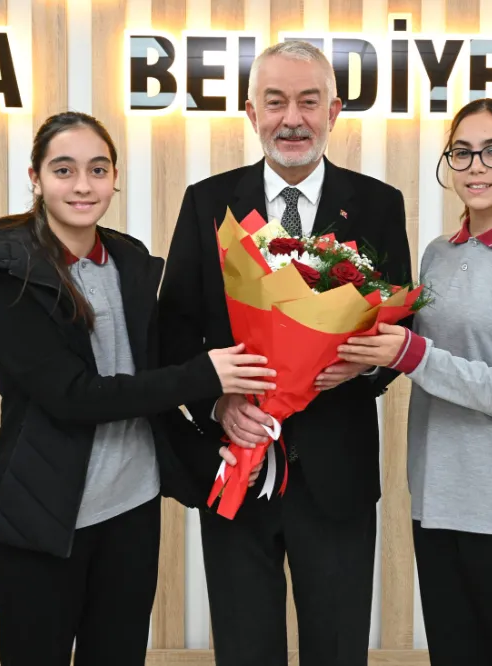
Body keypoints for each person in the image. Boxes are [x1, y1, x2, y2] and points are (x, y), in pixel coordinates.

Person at [0, 111, 275, 666]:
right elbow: (72, 397)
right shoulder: (9, 270)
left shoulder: (129, 261)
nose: (83, 185)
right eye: (64, 170)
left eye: (98, 169)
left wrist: (216, 435)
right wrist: (204, 374)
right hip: (45, 513)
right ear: (35, 178)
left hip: (132, 510)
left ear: (114, 179)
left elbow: (149, 381)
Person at [158, 41, 412, 666]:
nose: (291, 119)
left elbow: (397, 321)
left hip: (338, 473)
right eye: (275, 102)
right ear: (251, 112)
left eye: (308, 101)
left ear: (334, 111)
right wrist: (219, 404)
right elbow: (175, 330)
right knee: (244, 648)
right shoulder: (207, 202)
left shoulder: (379, 203)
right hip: (239, 465)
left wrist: (364, 365)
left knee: (339, 649)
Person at [337, 98, 492, 666]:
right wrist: (362, 356)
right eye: (462, 152)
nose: (476, 166)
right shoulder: (438, 255)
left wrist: (412, 353)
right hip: (438, 498)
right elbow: (415, 356)